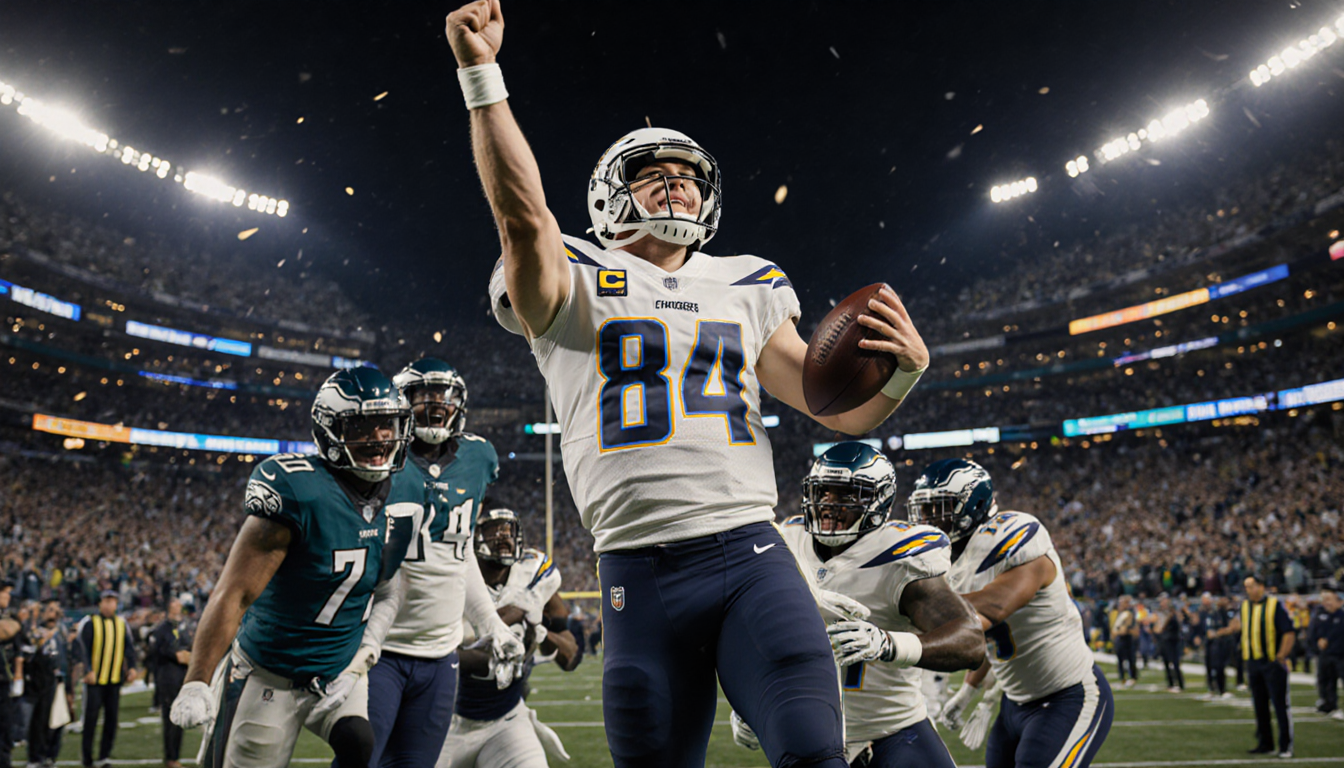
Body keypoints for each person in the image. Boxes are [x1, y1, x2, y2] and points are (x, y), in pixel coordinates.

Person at [445, 2, 929, 764]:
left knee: (815, 751)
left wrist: (903, 375)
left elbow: (836, 412)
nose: (675, 186)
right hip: (636, 566)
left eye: (687, 178)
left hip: (750, 550)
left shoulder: (749, 281)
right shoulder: (573, 271)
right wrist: (482, 75)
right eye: (652, 176)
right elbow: (523, 219)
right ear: (609, 196)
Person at [168, 368, 425, 768]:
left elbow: (389, 585)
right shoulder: (298, 491)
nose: (379, 438)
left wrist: (364, 654)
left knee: (358, 741)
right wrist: (197, 678)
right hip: (270, 672)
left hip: (339, 671)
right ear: (330, 431)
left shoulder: (408, 487)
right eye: (363, 426)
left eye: (386, 425)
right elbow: (235, 593)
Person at [732, 443, 983, 766]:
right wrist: (751, 701)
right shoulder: (787, 541)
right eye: (823, 492)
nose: (828, 504)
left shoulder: (899, 557)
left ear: (879, 500)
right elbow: (754, 631)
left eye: (846, 494)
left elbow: (970, 642)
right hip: (808, 734)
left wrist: (888, 644)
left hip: (894, 730)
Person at [366, 359, 521, 768]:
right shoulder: (381, 460)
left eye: (444, 396)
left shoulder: (478, 457)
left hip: (440, 653)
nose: (436, 405)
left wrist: (491, 624)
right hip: (379, 647)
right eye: (424, 396)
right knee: (361, 758)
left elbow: (460, 551)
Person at [916, 459, 1114, 768]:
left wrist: (911, 611)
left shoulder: (1016, 539)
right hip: (1014, 703)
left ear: (973, 505)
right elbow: (985, 632)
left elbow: (994, 606)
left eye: (938, 507)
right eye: (924, 508)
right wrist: (968, 691)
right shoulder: (954, 560)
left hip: (1067, 697)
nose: (928, 518)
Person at [439, 508, 583, 768]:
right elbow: (432, 654)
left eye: (509, 530)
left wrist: (539, 632)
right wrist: (492, 644)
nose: (503, 536)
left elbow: (570, 658)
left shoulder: (533, 576)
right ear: (473, 537)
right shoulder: (449, 576)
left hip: (506, 722)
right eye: (493, 530)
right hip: (446, 723)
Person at [1229, 575, 1295, 757]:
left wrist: (1281, 655)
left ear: (1261, 586)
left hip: (1271, 662)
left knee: (1280, 705)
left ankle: (1285, 745)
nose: (1248, 590)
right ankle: (1265, 743)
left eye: (1251, 586)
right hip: (1253, 663)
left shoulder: (1274, 605)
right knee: (1259, 705)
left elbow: (1289, 632)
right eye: (1246, 587)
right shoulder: (1245, 606)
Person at [76, 590, 138, 768]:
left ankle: (104, 756)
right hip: (95, 680)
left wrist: (132, 667)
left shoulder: (121, 623)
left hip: (114, 679)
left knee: (111, 719)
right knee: (91, 719)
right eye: (106, 601)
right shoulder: (90, 622)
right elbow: (83, 648)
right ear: (100, 603)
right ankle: (87, 757)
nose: (109, 605)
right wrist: (88, 670)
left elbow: (129, 647)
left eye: (113, 601)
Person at [24, 600, 74, 768]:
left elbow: (66, 659)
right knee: (40, 721)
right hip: (40, 681)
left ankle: (50, 756)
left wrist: (69, 687)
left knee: (58, 722)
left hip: (58, 681)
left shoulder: (61, 632)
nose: (54, 614)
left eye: (57, 610)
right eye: (51, 610)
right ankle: (36, 757)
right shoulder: (36, 632)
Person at [148, 600, 192, 768]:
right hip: (167, 678)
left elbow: (189, 649)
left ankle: (175, 756)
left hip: (181, 676)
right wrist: (179, 655)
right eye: (174, 608)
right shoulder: (161, 630)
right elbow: (163, 653)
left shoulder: (182, 628)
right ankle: (171, 757)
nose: (177, 610)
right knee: (170, 718)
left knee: (180, 717)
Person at [1308, 588, 1342, 718]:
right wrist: (1317, 642)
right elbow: (1313, 632)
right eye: (1324, 600)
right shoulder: (1319, 614)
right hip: (1324, 654)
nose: (1326, 602)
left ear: (1339, 602)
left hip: (1340, 655)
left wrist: (1327, 640)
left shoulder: (1341, 616)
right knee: (1324, 680)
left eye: (1329, 599)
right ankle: (1328, 704)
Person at [1195, 592, 1235, 700]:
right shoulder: (1203, 613)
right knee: (1209, 667)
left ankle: (1221, 689)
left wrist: (1217, 633)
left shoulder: (1220, 612)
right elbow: (1202, 628)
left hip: (1219, 643)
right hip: (1209, 643)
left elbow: (1230, 627)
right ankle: (1211, 689)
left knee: (1219, 666)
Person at [0, 582, 22, 768]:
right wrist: (15, 623)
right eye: (4, 593)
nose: (8, 596)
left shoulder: (5, 616)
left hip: (3, 681)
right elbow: (7, 630)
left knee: (6, 729)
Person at [1153, 595, 1185, 692]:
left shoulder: (1173, 615)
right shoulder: (1163, 615)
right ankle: (1170, 683)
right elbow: (1157, 629)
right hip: (1164, 640)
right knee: (1166, 662)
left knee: (1174, 662)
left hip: (1173, 641)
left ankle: (1180, 684)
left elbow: (1179, 622)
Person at [1111, 596, 1139, 687]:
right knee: (1120, 659)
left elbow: (1125, 629)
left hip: (1127, 639)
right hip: (1120, 638)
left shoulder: (1129, 613)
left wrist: (1119, 631)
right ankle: (1122, 677)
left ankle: (1132, 677)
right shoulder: (1119, 613)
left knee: (1130, 658)